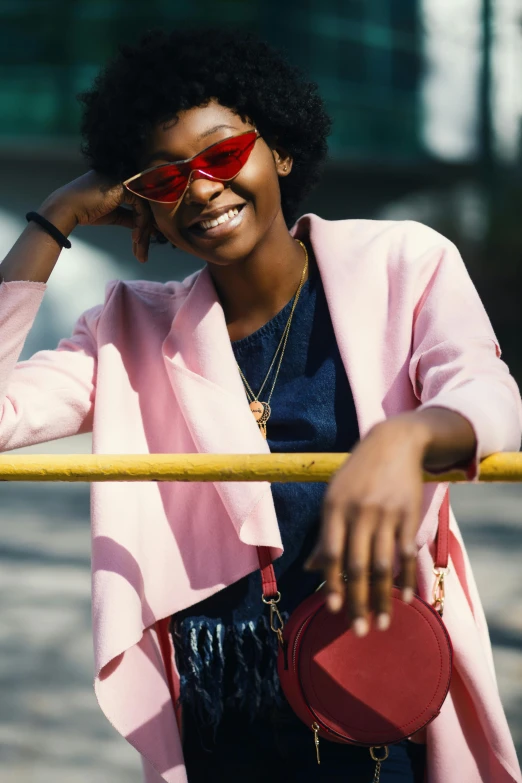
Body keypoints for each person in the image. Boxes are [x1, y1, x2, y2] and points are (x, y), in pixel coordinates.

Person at [0, 28, 520, 783]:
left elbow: (484, 392)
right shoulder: (125, 329)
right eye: (163, 180)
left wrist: (406, 440)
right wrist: (55, 219)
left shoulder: (405, 262)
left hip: (376, 703)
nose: (202, 189)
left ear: (279, 149)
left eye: (219, 156)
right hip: (221, 723)